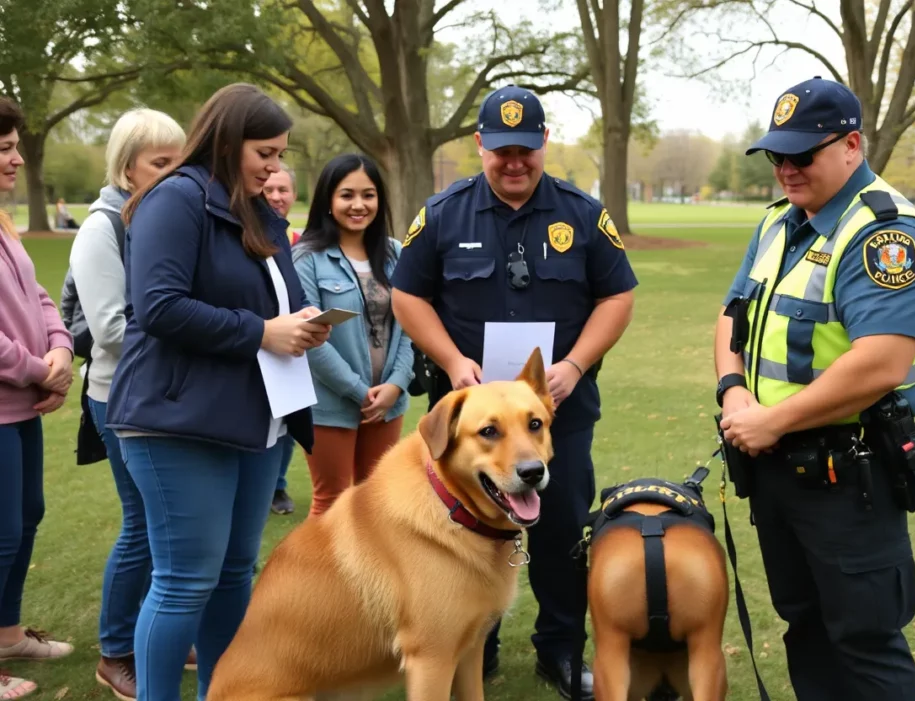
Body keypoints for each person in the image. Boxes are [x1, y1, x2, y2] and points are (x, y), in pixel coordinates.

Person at [390, 84, 637, 700]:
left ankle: (560, 652)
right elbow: (407, 296)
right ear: (480, 145)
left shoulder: (583, 214)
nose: (515, 162)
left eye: (526, 149)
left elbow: (618, 295)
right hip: (470, 426)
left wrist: (575, 365)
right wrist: (452, 361)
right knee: (463, 537)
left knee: (560, 534)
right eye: (502, 151)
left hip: (555, 418)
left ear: (544, 142)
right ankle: (475, 649)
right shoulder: (443, 215)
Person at [715, 77, 915, 701]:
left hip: (849, 477)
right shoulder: (779, 223)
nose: (786, 169)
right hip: (777, 468)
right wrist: (733, 391)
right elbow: (731, 316)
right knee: (806, 629)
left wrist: (772, 420)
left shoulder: (885, 233)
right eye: (777, 155)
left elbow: (881, 363)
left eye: (802, 154)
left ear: (852, 145)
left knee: (866, 645)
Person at [103, 83, 331, 701]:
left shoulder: (258, 210)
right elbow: (158, 306)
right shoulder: (174, 199)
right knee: (184, 580)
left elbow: (272, 302)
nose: (274, 169)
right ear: (227, 143)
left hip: (255, 418)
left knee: (233, 573)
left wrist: (299, 324)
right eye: (265, 153)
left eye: (280, 155)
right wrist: (262, 331)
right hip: (175, 420)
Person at [69, 107, 188, 699]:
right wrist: (195, 330)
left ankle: (151, 635)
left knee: (160, 526)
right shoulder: (101, 228)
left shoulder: (158, 216)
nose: (174, 173)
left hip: (160, 391)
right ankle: (115, 651)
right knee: (142, 525)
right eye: (160, 163)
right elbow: (111, 330)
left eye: (179, 162)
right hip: (118, 396)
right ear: (126, 168)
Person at [0, 97, 75, 700]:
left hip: (23, 404)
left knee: (26, 518)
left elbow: (39, 295)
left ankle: (7, 634)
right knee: (0, 532)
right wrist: (36, 372)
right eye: (5, 148)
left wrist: (61, 349)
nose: (18, 159)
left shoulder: (3, 220)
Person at [292, 154, 414, 517]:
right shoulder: (306, 258)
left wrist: (397, 383)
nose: (358, 205)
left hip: (387, 402)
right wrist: (358, 391)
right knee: (331, 504)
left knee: (376, 503)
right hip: (331, 403)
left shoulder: (395, 253)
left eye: (368, 195)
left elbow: (410, 324)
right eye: (347, 195)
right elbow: (310, 339)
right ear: (328, 200)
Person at [262, 164, 300, 515]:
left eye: (283, 190)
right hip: (263, 348)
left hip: (293, 358)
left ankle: (277, 484)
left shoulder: (298, 242)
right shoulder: (252, 237)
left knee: (289, 427)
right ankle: (271, 487)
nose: (276, 197)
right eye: (269, 189)